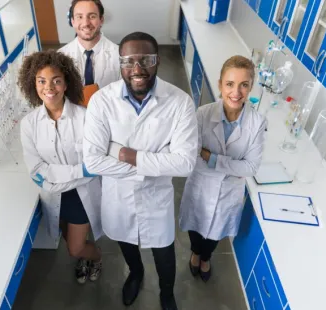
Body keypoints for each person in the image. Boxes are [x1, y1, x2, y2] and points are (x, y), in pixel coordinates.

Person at [83, 32, 198, 310]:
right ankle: (135, 274)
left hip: (157, 199)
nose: (137, 68)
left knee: (164, 252)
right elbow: (93, 162)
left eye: (146, 60)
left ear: (157, 61)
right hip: (118, 197)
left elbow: (184, 163)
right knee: (126, 241)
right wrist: (151, 165)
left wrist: (123, 153)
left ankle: (167, 291)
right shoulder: (101, 101)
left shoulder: (180, 102)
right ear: (120, 63)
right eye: (129, 60)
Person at [179, 55, 267, 282]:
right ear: (220, 85)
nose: (236, 92)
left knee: (215, 234)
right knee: (196, 227)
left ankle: (206, 257)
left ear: (250, 87)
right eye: (230, 84)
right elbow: (192, 155)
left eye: (244, 85)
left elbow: (250, 167)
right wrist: (231, 165)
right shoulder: (202, 114)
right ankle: (196, 253)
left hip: (228, 193)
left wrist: (211, 157)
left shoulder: (257, 123)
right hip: (201, 185)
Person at [19, 50, 103, 285]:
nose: (49, 87)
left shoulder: (86, 118)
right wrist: (79, 171)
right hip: (54, 196)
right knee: (68, 238)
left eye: (56, 80)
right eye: (41, 81)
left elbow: (93, 166)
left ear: (66, 83)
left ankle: (96, 257)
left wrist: (53, 177)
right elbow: (36, 169)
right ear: (33, 85)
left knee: (75, 249)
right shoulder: (28, 124)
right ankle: (86, 256)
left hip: (80, 196)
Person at [59, 0, 120, 89]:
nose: (86, 23)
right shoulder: (61, 56)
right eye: (79, 17)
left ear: (101, 20)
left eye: (92, 16)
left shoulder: (119, 55)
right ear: (72, 21)